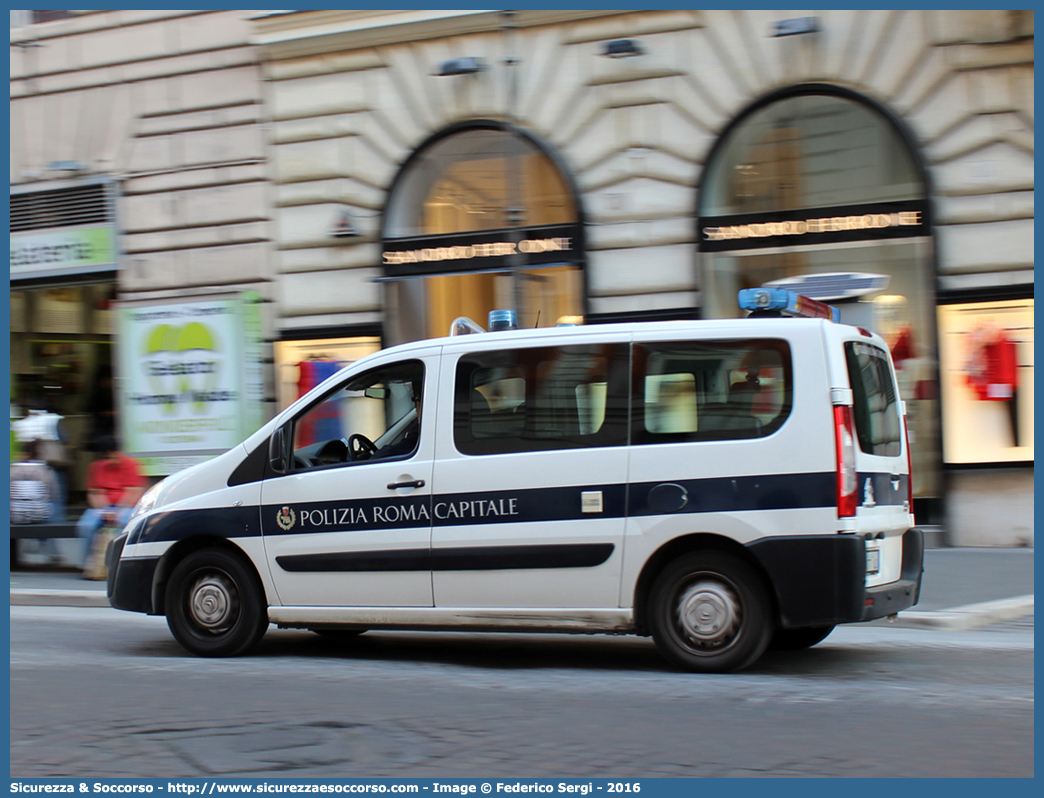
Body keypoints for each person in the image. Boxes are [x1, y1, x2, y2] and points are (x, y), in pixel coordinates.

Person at [77, 436, 145, 571]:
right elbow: (95, 493)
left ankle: (121, 564)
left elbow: (133, 492)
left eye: (111, 455)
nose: (109, 460)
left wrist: (118, 511)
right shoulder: (96, 467)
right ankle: (90, 564)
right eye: (106, 457)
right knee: (86, 526)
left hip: (126, 505)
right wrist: (105, 510)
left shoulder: (131, 465)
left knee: (125, 524)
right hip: (104, 506)